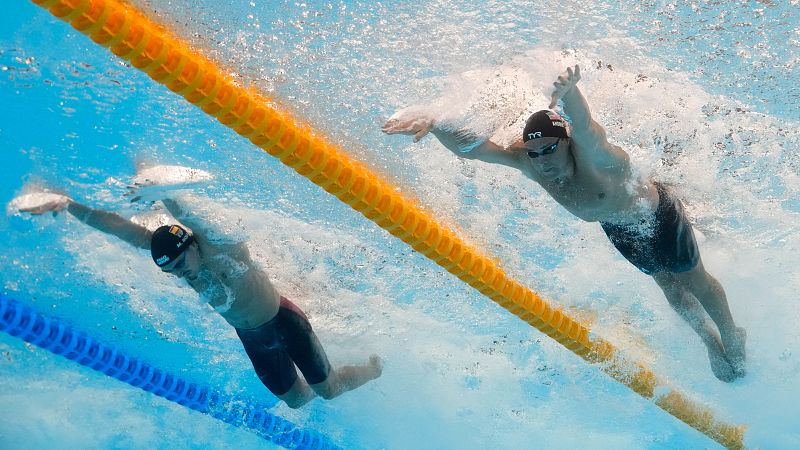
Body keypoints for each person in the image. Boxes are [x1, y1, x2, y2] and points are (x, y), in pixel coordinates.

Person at [383, 64, 746, 382]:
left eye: (550, 149)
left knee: (693, 279)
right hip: (620, 229)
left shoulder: (596, 158)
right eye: (535, 152)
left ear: (566, 142)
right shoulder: (531, 163)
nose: (542, 161)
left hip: (655, 216)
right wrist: (434, 124)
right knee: (670, 289)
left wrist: (570, 93)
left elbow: (586, 126)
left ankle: (731, 334)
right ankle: (709, 342)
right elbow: (473, 149)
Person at [17, 193, 383, 407]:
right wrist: (67, 205)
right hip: (253, 339)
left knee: (328, 391)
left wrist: (164, 191)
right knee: (299, 401)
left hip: (284, 322)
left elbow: (192, 215)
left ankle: (371, 368)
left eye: (179, 264)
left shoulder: (223, 250)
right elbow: (116, 227)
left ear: (191, 245)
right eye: (170, 271)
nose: (180, 274)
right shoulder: (180, 260)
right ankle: (323, 376)